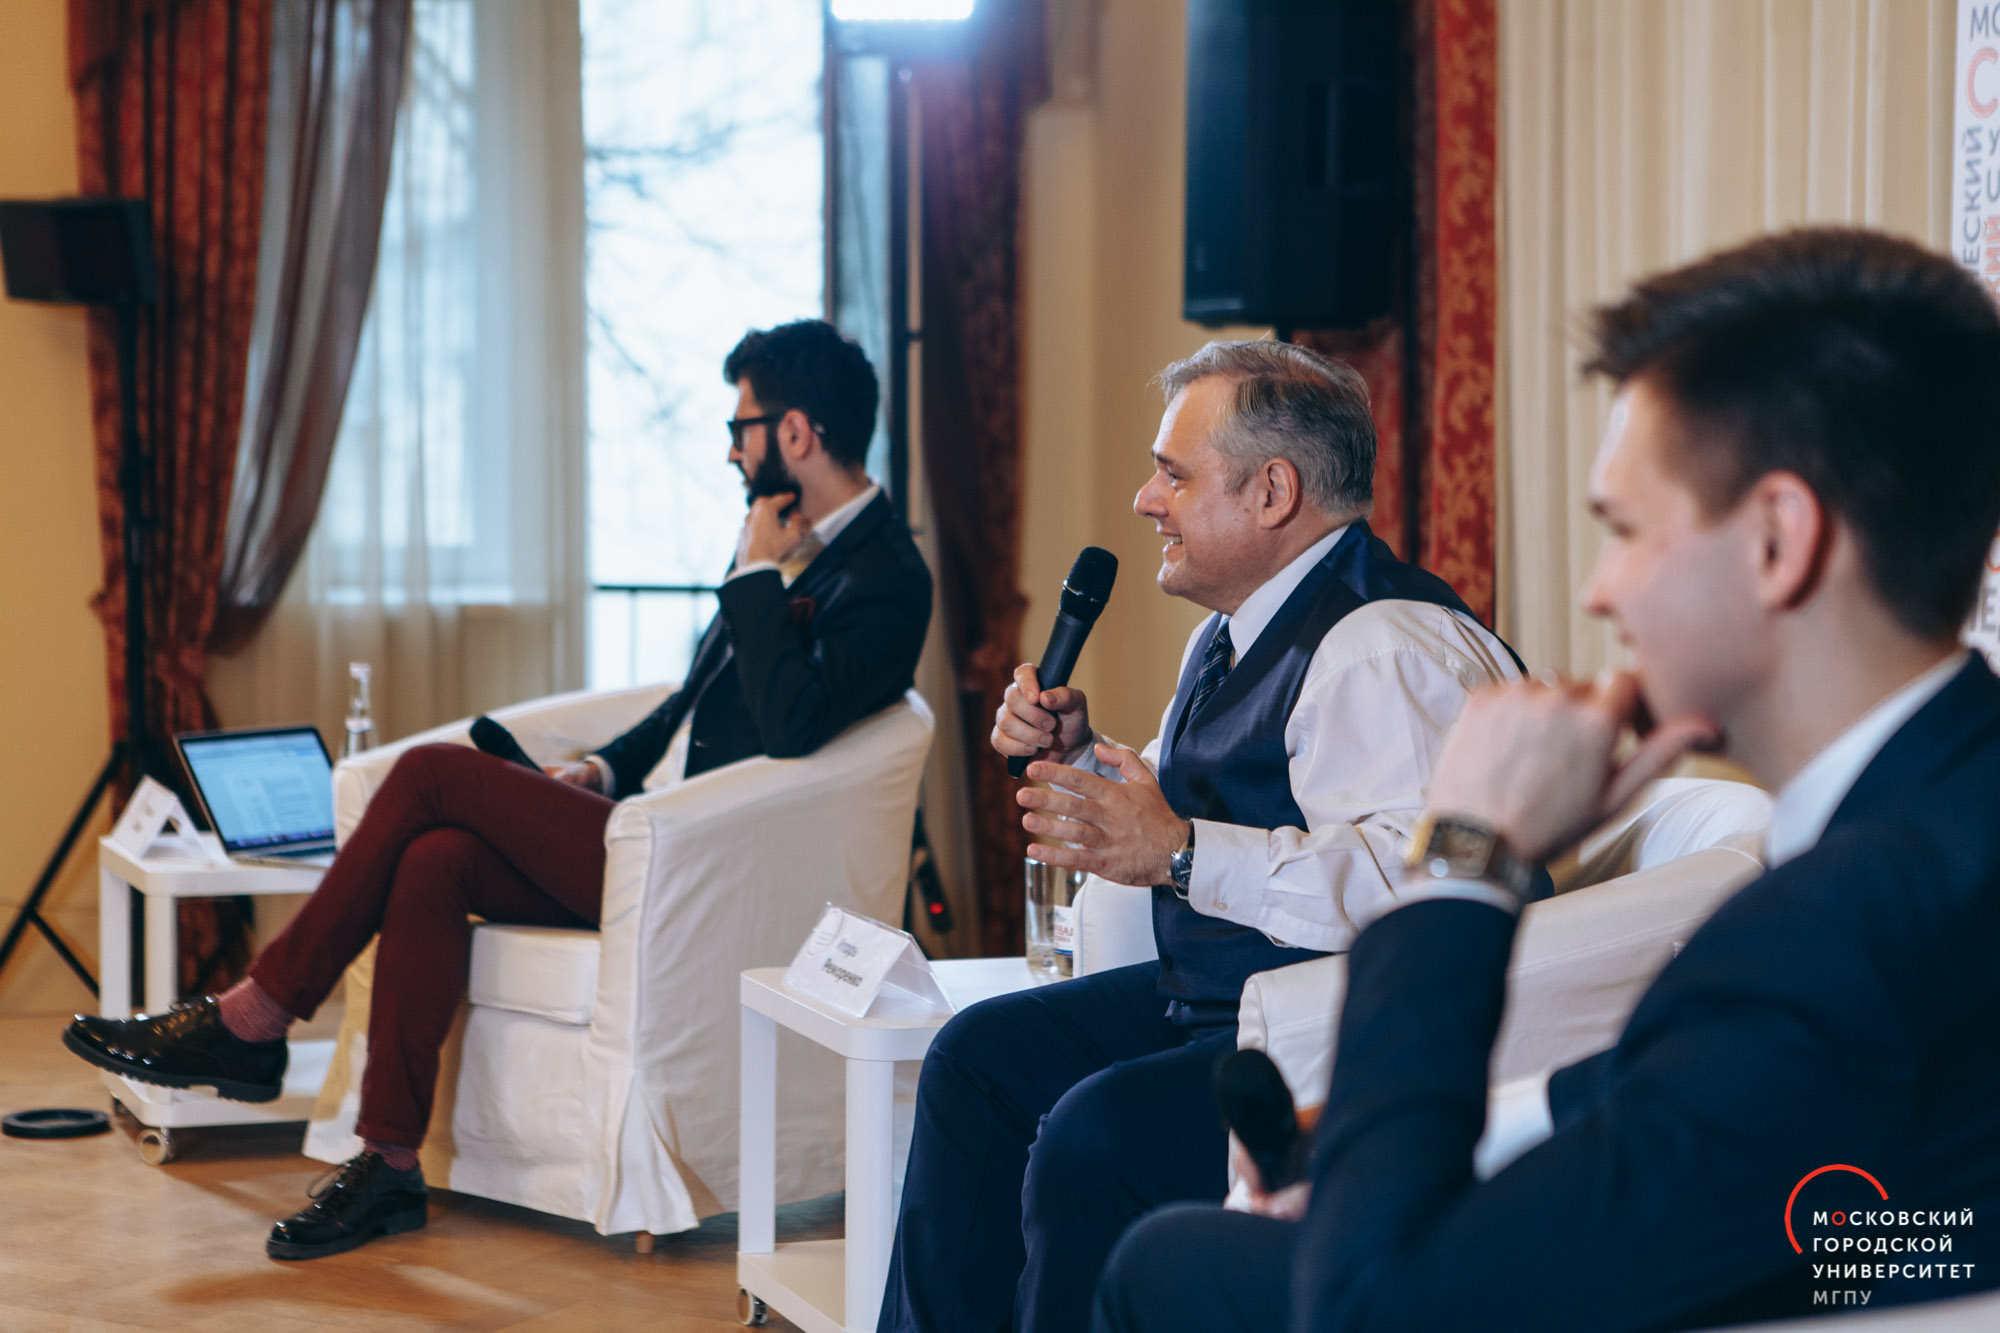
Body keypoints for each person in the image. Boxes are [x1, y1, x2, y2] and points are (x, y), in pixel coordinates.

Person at [1094, 228, 2000, 1332]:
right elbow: (1696, 1108)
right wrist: (1456, 1125)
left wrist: (1466, 858)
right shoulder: (1945, 808)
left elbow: (1374, 1304)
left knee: (1162, 1263)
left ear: (1776, 541)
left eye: (1626, 530)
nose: (1597, 592)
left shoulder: (1835, 938)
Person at [64, 318, 932, 1261]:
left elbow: (796, 725)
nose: (732, 449)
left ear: (794, 433)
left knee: (433, 773)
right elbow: (691, 700)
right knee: (435, 861)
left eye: (742, 426)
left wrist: (756, 575)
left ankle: (254, 1017)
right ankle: (388, 1162)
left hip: (707, 871)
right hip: (648, 834)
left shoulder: (888, 574)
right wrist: (602, 769)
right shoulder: (777, 535)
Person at [877, 340, 1533, 1333]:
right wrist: (1083, 757)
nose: (1145, 500)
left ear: (1272, 491)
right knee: (975, 1058)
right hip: (1220, 1000)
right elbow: (1199, 802)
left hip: (1333, 1037)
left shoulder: (1380, 648)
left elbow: (1420, 884)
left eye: (1173, 475)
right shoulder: (1228, 632)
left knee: (1093, 1137)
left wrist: (1181, 853)